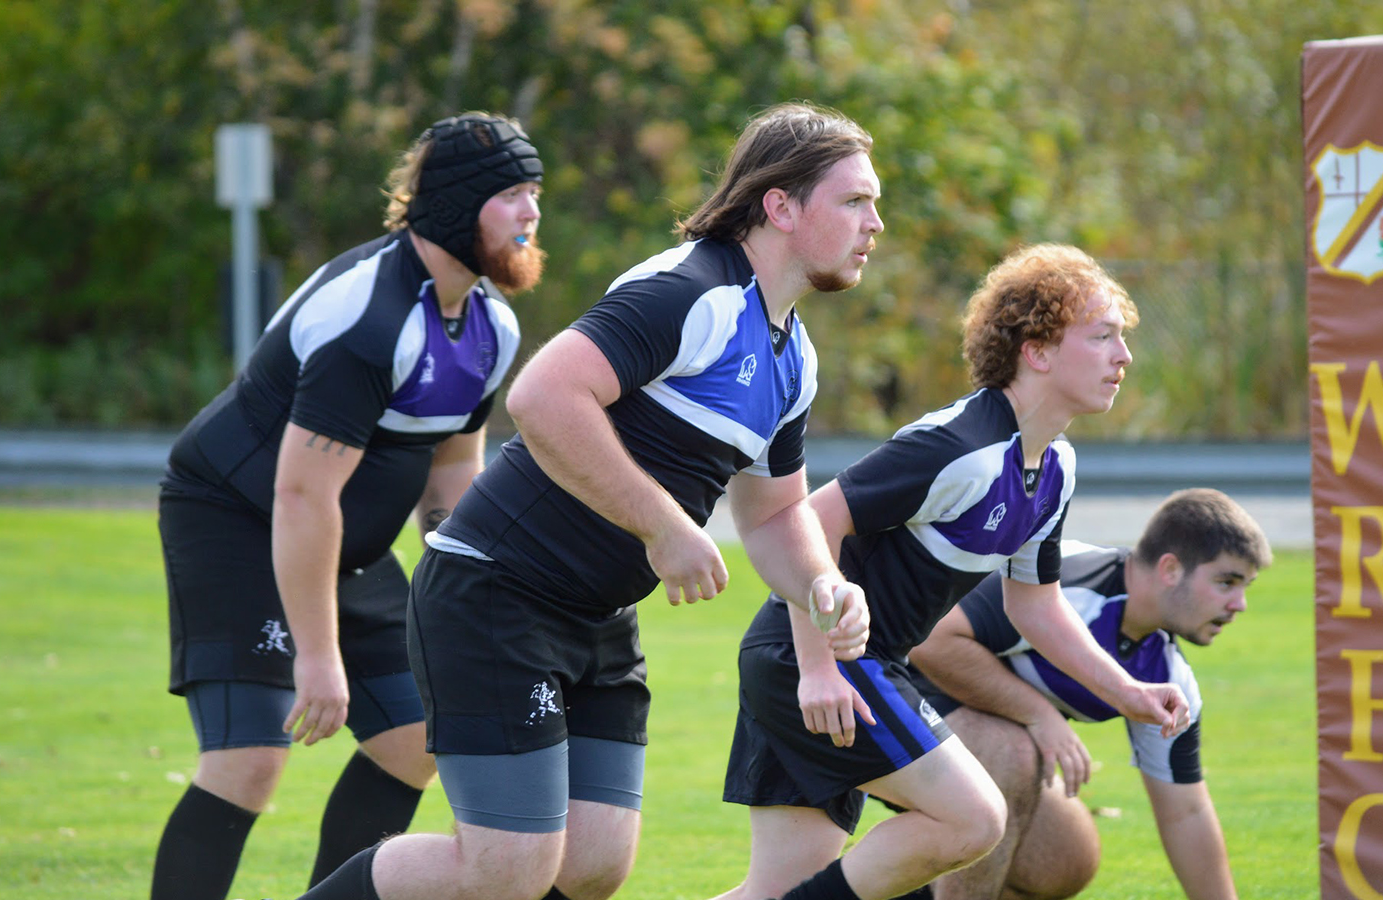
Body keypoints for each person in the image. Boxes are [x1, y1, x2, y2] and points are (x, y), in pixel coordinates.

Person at [300, 101, 878, 900]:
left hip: (599, 620)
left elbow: (777, 513)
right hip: (497, 594)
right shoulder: (693, 290)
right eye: (854, 201)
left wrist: (822, 590)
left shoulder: (793, 356)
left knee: (594, 864)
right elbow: (542, 397)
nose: (874, 223)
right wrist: (665, 525)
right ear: (781, 205)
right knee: (505, 869)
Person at [714, 243, 1193, 900]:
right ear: (1039, 350)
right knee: (974, 818)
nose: (1124, 357)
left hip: (823, 663)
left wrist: (1128, 693)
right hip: (818, 662)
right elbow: (806, 524)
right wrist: (820, 667)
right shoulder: (959, 448)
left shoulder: (1054, 469)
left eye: (1122, 338)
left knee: (771, 890)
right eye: (1103, 336)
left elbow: (1037, 606)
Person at [150, 111, 547, 900]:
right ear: (457, 206)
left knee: (414, 744)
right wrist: (319, 656)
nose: (533, 213)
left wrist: (465, 593)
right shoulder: (368, 316)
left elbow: (453, 472)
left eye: (535, 192)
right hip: (239, 523)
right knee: (250, 760)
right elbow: (300, 495)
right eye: (512, 194)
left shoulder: (490, 327)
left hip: (344, 544)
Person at [908, 488, 1273, 900]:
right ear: (1170, 568)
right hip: (875, 697)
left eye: (1246, 586)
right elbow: (931, 642)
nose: (1240, 604)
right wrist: (1036, 714)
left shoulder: (1168, 674)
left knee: (1065, 859)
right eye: (1227, 582)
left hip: (975, 745)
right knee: (1013, 752)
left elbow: (1186, 812)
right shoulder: (1066, 583)